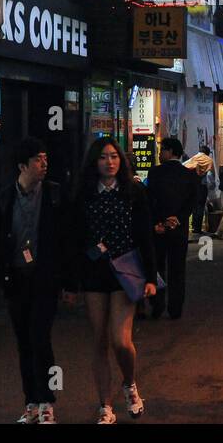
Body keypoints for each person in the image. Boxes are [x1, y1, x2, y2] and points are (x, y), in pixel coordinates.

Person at [0, 137, 68, 424]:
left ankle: (47, 401)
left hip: (45, 280)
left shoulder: (54, 195)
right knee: (24, 341)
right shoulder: (5, 199)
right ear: (22, 166)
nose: (44, 163)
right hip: (16, 279)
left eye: (45, 158)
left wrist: (70, 282)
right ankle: (31, 402)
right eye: (38, 159)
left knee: (40, 337)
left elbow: (67, 240)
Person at [64, 137, 158, 423]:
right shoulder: (83, 194)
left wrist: (151, 277)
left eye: (114, 156)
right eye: (104, 157)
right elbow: (73, 239)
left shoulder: (133, 192)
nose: (110, 162)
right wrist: (70, 282)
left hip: (125, 271)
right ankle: (104, 405)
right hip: (94, 272)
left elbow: (145, 235)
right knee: (99, 341)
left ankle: (129, 383)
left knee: (120, 340)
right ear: (94, 161)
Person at [145, 137, 199, 320]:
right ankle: (175, 308)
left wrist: (159, 221)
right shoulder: (189, 174)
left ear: (170, 152)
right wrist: (178, 218)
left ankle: (157, 304)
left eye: (162, 150)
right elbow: (192, 201)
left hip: (158, 228)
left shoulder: (155, 173)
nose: (160, 154)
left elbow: (150, 200)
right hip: (179, 229)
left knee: (157, 267)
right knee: (177, 269)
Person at [187, 145, 216, 235]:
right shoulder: (209, 160)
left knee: (194, 206)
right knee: (200, 207)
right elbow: (210, 175)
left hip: (192, 186)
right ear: (207, 153)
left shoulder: (194, 158)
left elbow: (184, 166)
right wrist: (212, 186)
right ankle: (197, 228)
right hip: (202, 186)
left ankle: (193, 226)